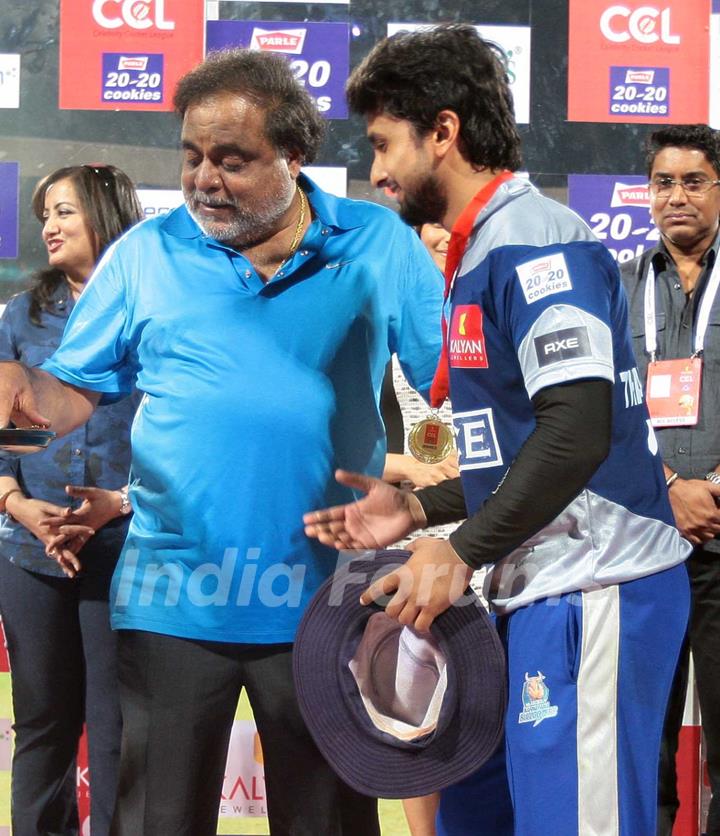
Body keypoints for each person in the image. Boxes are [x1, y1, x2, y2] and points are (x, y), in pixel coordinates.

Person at [0, 50, 442, 836]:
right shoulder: (143, 253)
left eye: (232, 160)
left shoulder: (379, 244)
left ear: (294, 157)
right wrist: (20, 394)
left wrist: (437, 489)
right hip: (172, 598)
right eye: (193, 156)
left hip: (323, 600)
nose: (204, 178)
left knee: (328, 824)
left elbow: (448, 385)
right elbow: (64, 397)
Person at [304, 24, 692, 834]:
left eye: (382, 145)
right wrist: (423, 509)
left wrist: (461, 547)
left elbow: (577, 433)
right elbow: (525, 442)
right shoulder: (483, 247)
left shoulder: (535, 241)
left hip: (597, 586)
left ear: (443, 131)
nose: (374, 172)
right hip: (531, 589)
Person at [0, 164, 142, 836]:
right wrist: (18, 504)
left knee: (118, 727)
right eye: (44, 216)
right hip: (28, 552)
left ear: (104, 214)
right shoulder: (21, 317)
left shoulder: (154, 312)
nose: (49, 228)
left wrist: (119, 501)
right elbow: (2, 437)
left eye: (63, 212)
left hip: (126, 549)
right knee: (42, 726)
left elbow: (182, 436)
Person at [619, 124, 720, 835]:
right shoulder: (617, 285)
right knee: (640, 747)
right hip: (641, 549)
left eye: (693, 181)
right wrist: (666, 488)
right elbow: (595, 409)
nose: (676, 195)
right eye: (663, 182)